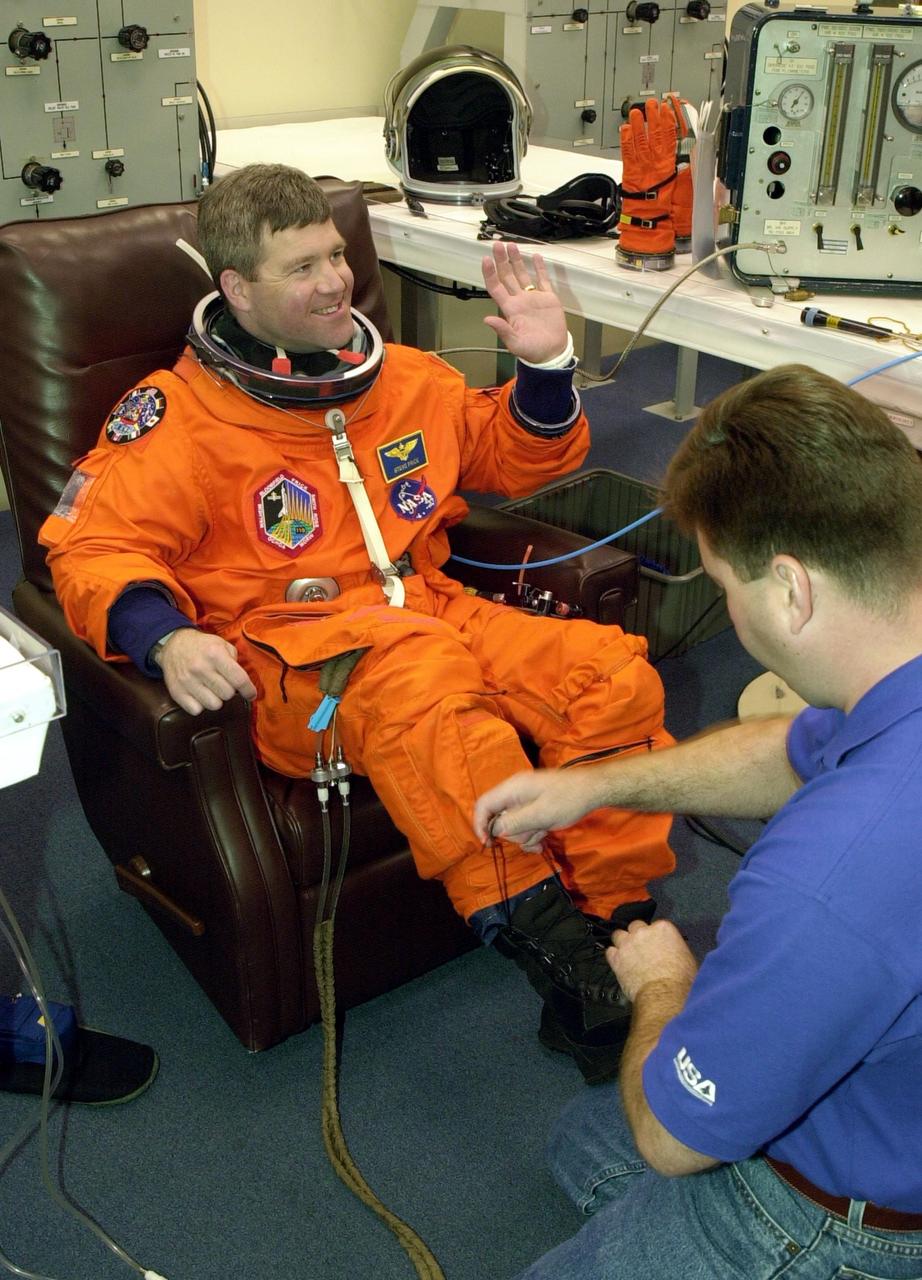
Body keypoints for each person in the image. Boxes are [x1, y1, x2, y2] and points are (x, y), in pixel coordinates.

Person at [38, 163, 675, 1083]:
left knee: (610, 677)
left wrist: (542, 365)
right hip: (294, 666)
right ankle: (566, 969)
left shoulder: (404, 379)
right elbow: (92, 549)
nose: (336, 280)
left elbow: (510, 456)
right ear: (237, 290)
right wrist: (166, 638)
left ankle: (617, 929)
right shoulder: (175, 420)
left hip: (427, 610)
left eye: (336, 255)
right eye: (302, 268)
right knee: (421, 677)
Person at [474, 363, 922, 1278]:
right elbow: (797, 743)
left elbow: (674, 1143)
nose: (726, 606)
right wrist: (595, 787)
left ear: (790, 591)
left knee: (653, 1133)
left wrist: (662, 986)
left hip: (852, 1221)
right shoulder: (893, 673)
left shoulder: (826, 876)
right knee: (585, 1137)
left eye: (724, 582)